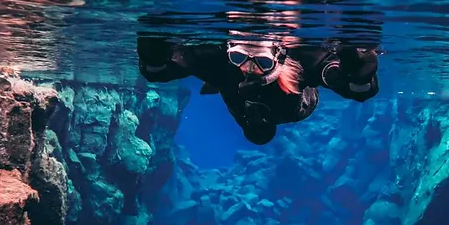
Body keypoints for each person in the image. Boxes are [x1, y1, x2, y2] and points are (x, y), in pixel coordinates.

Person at [136, 35, 380, 144]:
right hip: (296, 103)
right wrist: (360, 76)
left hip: (242, 90)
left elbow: (172, 68)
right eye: (242, 57)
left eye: (241, 56)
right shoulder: (294, 85)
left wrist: (155, 62)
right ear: (278, 54)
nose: (250, 66)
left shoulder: (223, 67)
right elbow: (346, 84)